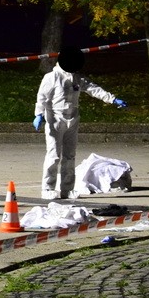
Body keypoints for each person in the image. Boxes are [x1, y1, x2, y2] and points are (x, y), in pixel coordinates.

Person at [33, 48, 126, 200]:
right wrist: (38, 114)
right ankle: (47, 188)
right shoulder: (52, 77)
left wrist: (113, 99)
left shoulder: (77, 78)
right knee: (53, 156)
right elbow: (42, 97)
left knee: (70, 156)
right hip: (55, 119)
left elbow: (93, 89)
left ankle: (67, 189)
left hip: (73, 119)